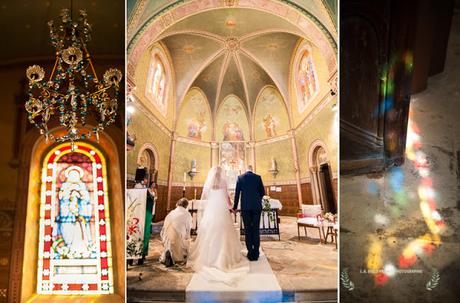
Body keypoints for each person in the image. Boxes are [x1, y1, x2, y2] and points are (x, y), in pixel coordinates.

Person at [187, 166, 248, 285]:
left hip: (212, 208)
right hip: (221, 208)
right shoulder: (223, 182)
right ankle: (223, 258)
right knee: (223, 230)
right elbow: (226, 197)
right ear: (222, 173)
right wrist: (231, 207)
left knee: (210, 229)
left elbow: (208, 196)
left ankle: (208, 258)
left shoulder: (210, 183)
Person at [233, 165, 265, 261]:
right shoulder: (258, 177)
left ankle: (250, 253)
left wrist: (235, 207)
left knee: (248, 229)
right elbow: (262, 192)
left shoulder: (240, 178)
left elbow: (237, 193)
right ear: (252, 170)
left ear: (245, 170)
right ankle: (256, 253)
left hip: (246, 208)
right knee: (255, 229)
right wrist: (256, 199)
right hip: (256, 207)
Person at [160, 198, 193, 266]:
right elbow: (189, 228)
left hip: (166, 235)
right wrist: (187, 238)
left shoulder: (171, 212)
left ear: (178, 203)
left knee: (169, 242)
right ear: (186, 206)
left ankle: (168, 252)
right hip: (177, 236)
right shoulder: (187, 214)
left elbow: (164, 225)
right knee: (183, 244)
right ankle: (173, 257)